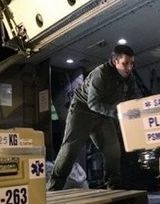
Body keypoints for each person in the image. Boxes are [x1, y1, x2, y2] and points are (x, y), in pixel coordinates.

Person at [47, 45, 137, 191]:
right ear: (115, 61)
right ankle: (54, 187)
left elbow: (133, 98)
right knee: (70, 149)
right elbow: (93, 103)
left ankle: (113, 188)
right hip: (82, 111)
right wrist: (118, 113)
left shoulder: (129, 77)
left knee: (113, 151)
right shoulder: (100, 74)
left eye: (132, 63)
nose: (129, 67)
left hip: (104, 114)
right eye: (125, 63)